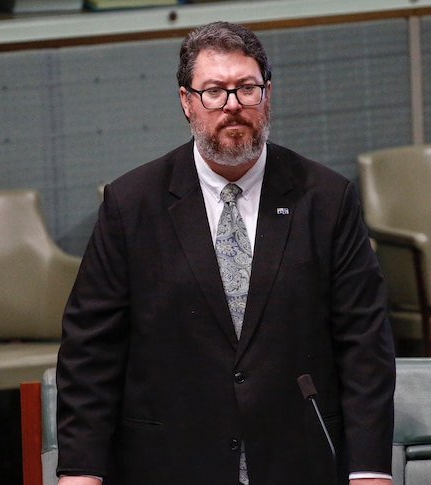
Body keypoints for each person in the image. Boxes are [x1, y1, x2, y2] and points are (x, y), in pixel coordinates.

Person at [56, 21, 396, 485]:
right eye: (214, 91)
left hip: (298, 457)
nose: (232, 105)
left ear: (268, 94)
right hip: (170, 459)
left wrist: (370, 469)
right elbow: (90, 349)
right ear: (186, 101)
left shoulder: (327, 199)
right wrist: (80, 471)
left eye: (246, 89)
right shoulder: (131, 204)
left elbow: (365, 345)